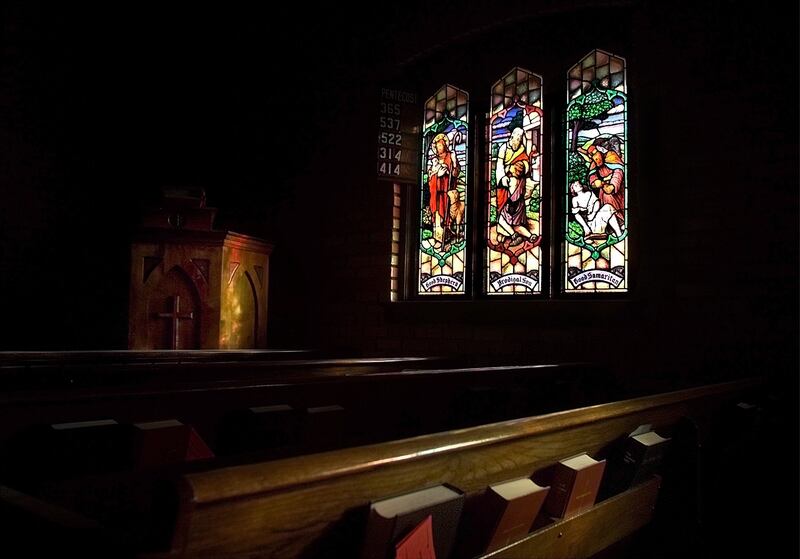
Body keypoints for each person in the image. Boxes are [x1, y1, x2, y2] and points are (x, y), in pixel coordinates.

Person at [495, 127, 537, 243]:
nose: (517, 141)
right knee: (506, 217)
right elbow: (499, 165)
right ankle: (518, 235)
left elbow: (525, 163)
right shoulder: (503, 148)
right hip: (505, 184)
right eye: (516, 138)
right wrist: (503, 177)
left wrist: (522, 167)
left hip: (516, 190)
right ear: (511, 137)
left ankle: (512, 235)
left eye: (520, 139)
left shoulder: (521, 149)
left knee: (506, 218)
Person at [581, 138, 625, 222]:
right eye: (590, 155)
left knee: (608, 196)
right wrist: (594, 183)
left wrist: (604, 184)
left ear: (601, 150)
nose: (592, 158)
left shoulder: (612, 158)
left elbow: (616, 179)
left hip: (618, 194)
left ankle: (620, 221)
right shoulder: (595, 161)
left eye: (593, 154)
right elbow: (592, 177)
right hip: (603, 192)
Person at [427, 133, 460, 243]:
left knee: (447, 209)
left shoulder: (451, 156)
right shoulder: (434, 160)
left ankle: (447, 231)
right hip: (436, 191)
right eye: (437, 146)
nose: (438, 148)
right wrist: (435, 174)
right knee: (437, 211)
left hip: (446, 189)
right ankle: (438, 236)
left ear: (445, 145)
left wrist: (454, 163)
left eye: (440, 145)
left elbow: (455, 173)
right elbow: (430, 175)